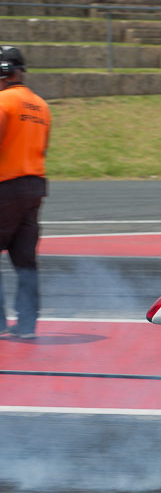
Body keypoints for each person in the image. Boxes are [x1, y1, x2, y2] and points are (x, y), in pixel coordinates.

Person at [0, 46, 51, 340]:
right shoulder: (41, 105)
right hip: (34, 188)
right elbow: (42, 148)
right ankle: (27, 325)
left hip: (5, 187)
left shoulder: (3, 101)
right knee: (25, 261)